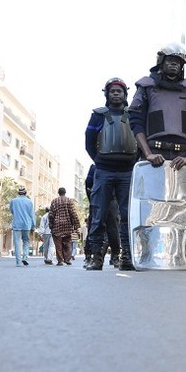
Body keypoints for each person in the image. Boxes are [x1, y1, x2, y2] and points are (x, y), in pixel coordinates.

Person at [84, 78, 138, 271]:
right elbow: (89, 142)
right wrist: (100, 161)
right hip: (104, 170)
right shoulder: (98, 116)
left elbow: (140, 138)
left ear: (125, 94)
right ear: (107, 94)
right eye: (113, 91)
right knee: (98, 215)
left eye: (119, 91)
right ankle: (96, 257)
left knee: (127, 216)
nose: (116, 94)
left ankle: (127, 257)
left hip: (127, 172)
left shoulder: (133, 114)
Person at [48, 187, 80, 266]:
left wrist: (51, 225)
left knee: (58, 245)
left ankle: (60, 261)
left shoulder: (54, 201)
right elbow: (73, 213)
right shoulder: (69, 201)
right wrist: (76, 225)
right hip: (68, 226)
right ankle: (67, 259)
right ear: (65, 192)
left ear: (58, 193)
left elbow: (51, 214)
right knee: (68, 243)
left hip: (57, 226)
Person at [9, 187, 36, 267]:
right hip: (26, 224)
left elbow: (11, 211)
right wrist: (33, 225)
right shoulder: (29, 202)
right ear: (25, 193)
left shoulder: (13, 201)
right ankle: (25, 257)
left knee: (17, 243)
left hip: (17, 224)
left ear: (18, 193)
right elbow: (32, 214)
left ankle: (18, 262)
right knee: (26, 242)